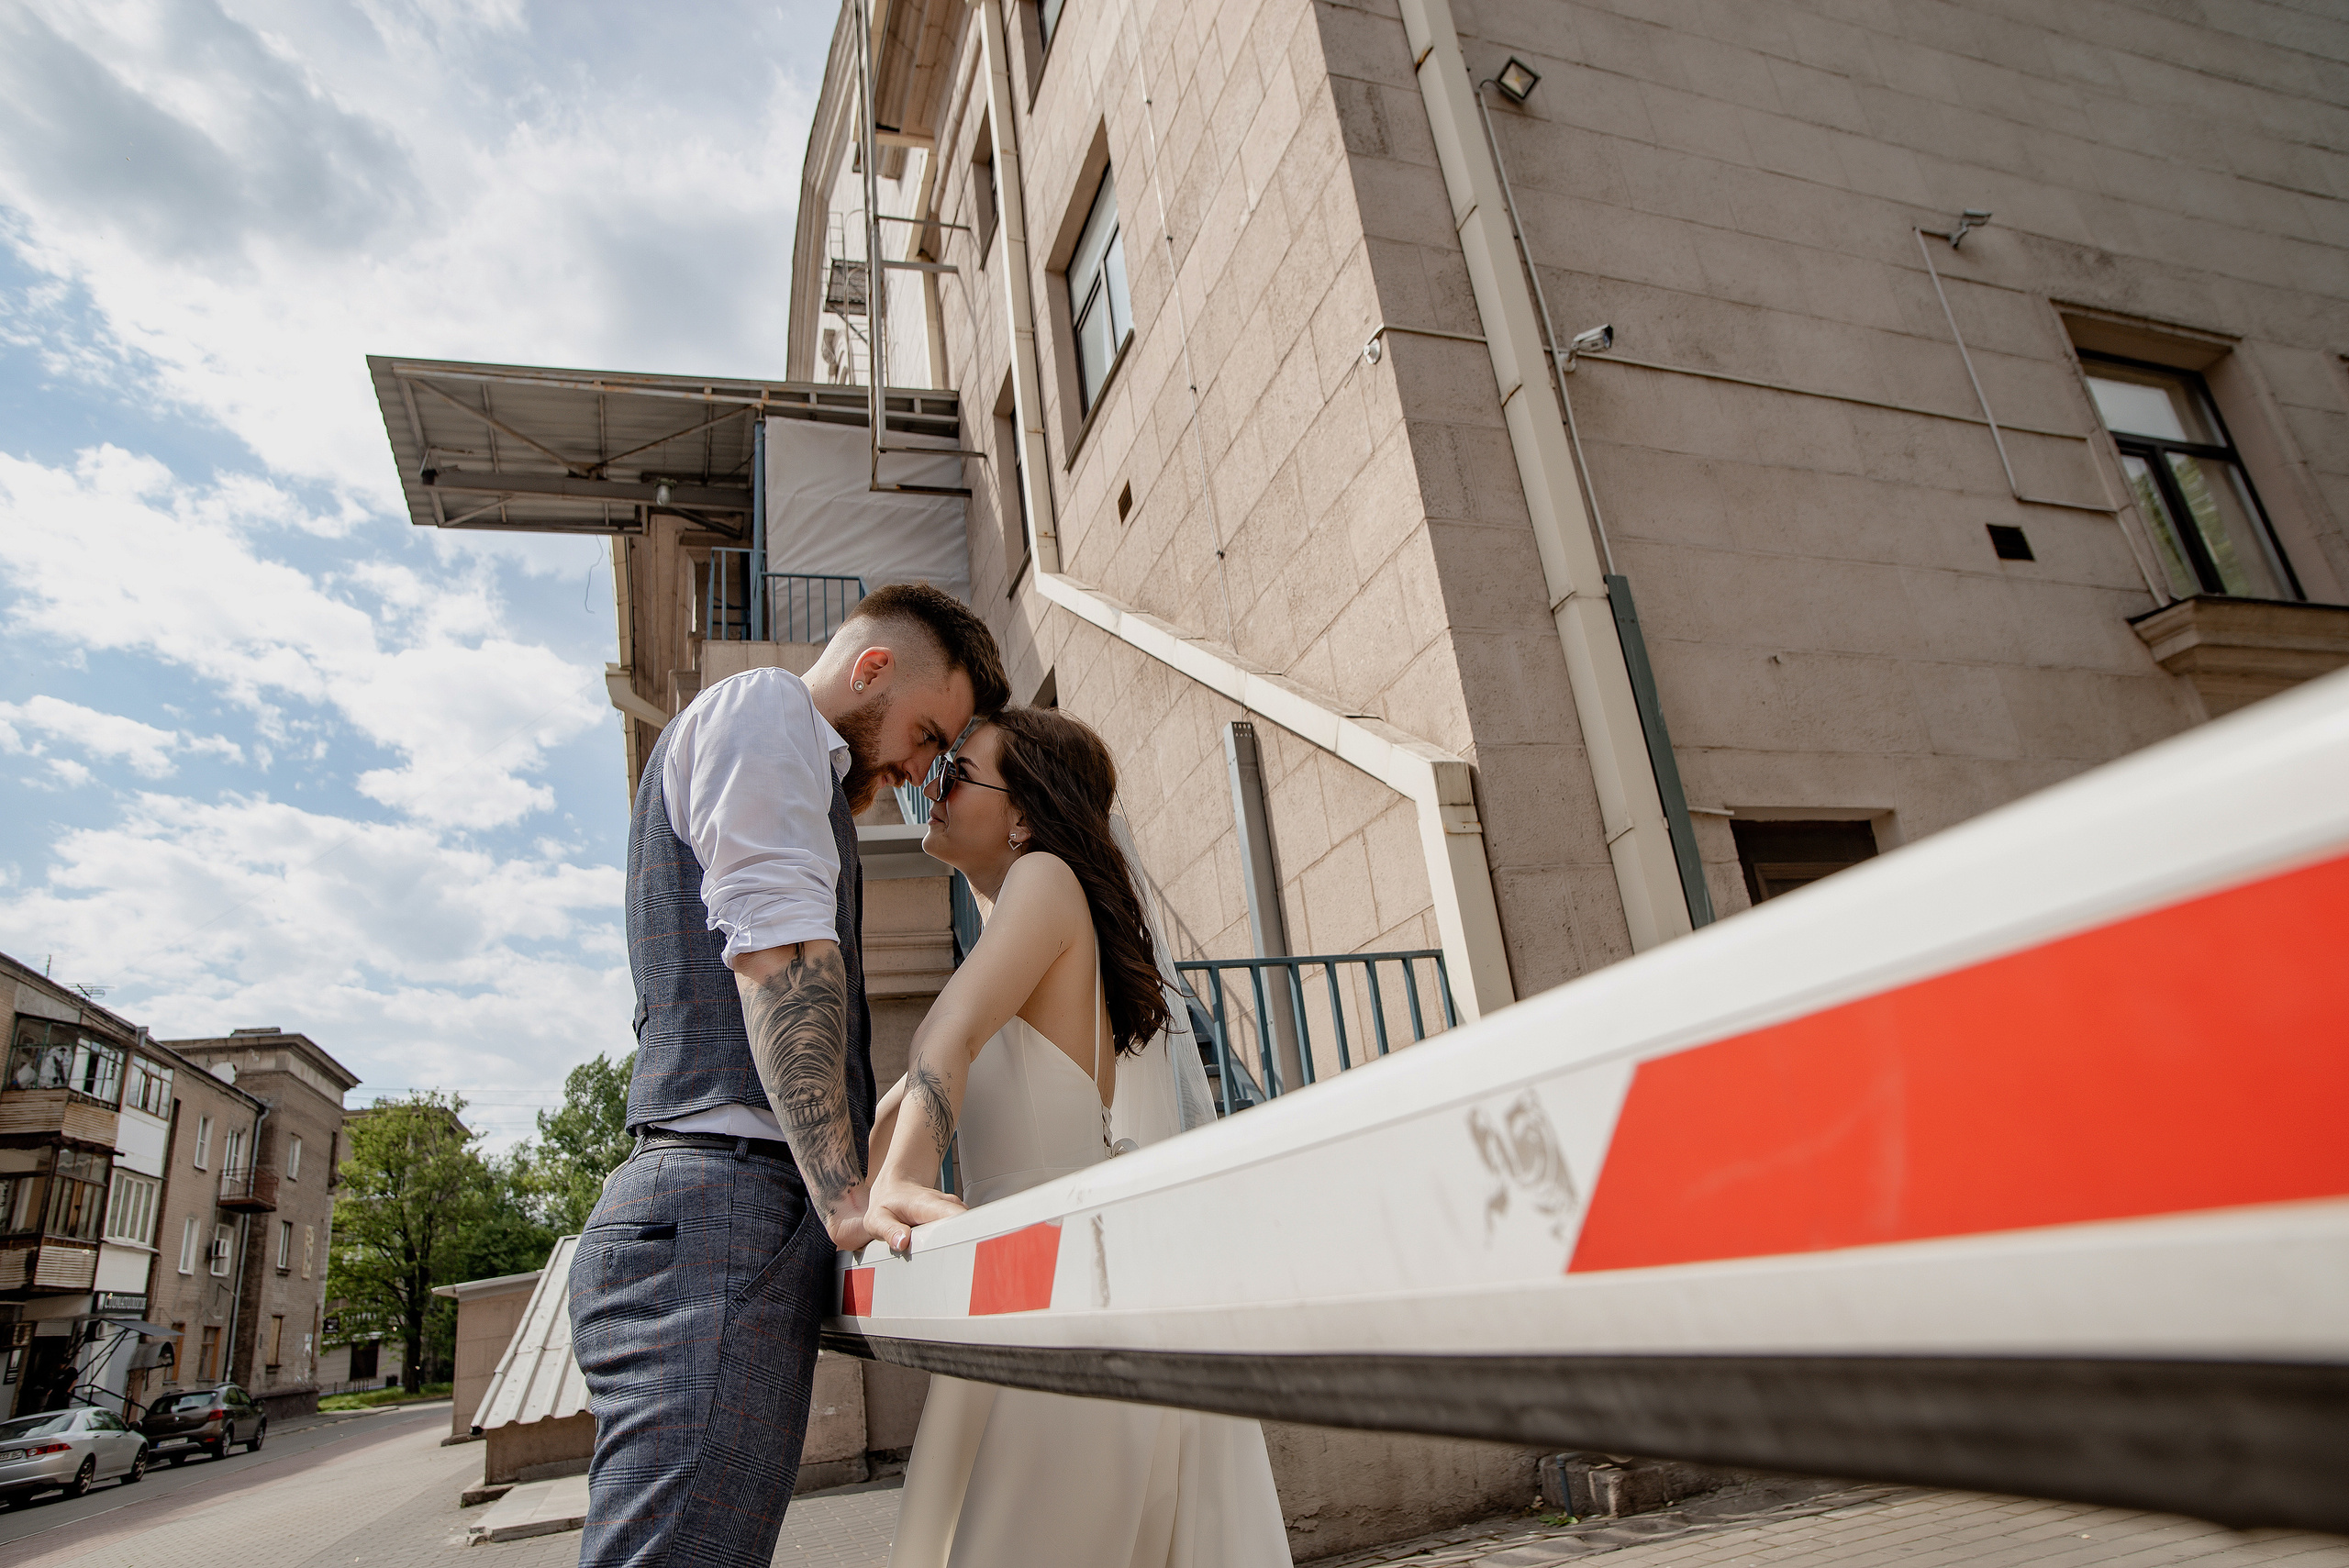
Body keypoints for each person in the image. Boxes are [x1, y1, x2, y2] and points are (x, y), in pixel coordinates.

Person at [569, 584, 1009, 1568]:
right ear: (871, 668)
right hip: (717, 1213)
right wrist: (845, 1199)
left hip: (722, 1217)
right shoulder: (766, 709)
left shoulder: (796, 769)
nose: (918, 769)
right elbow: (779, 957)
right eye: (926, 731)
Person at [866, 707, 1292, 1568]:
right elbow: (905, 1090)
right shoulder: (1008, 938)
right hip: (1027, 1283)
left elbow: (941, 1038)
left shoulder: (1045, 880)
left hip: (1058, 1291)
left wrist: (904, 1176)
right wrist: (850, 1195)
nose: (933, 790)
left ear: (1022, 815)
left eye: (957, 774)